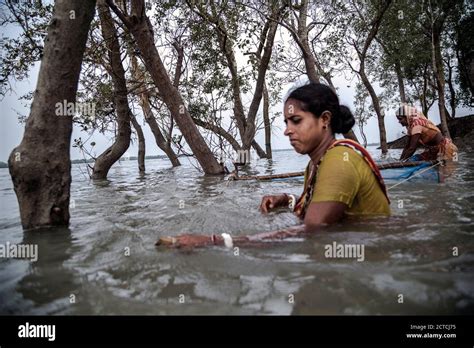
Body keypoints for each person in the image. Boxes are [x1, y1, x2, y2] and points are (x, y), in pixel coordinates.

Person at [157, 82, 390, 248]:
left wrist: (214, 241)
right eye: (286, 122)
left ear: (325, 120)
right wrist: (288, 199)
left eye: (296, 121)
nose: (288, 130)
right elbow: (317, 207)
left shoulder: (340, 160)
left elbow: (313, 231)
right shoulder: (317, 164)